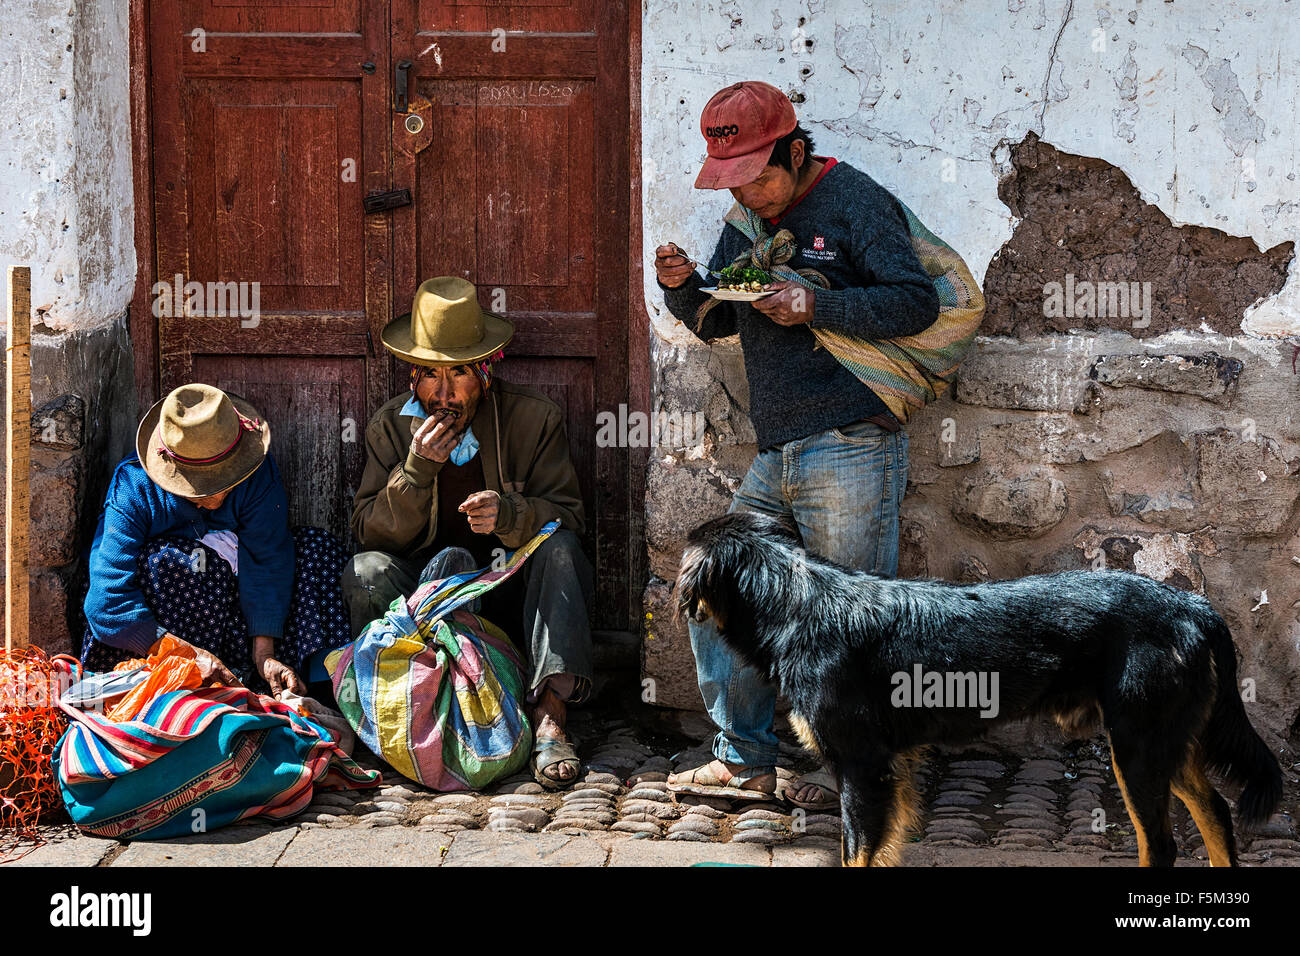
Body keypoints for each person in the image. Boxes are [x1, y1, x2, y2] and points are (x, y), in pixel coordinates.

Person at [656, 80, 941, 810]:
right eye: (734, 182)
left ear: (796, 149)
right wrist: (685, 289)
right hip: (776, 453)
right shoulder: (746, 223)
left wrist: (817, 302)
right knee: (714, 587)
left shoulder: (853, 201)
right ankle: (745, 758)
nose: (748, 196)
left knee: (848, 619)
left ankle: (847, 773)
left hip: (851, 444)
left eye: (759, 176)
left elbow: (915, 300)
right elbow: (723, 320)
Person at [341, 275, 594, 789]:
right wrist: (414, 473)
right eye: (431, 376)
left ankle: (550, 717)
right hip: (426, 604)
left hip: (505, 593)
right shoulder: (390, 427)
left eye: (459, 375)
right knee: (365, 572)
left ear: (484, 374)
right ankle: (389, 713)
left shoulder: (533, 419)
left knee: (562, 550)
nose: (445, 393)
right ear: (412, 378)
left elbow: (571, 517)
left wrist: (510, 515)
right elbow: (369, 534)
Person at [82, 383, 351, 695]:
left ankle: (289, 684)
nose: (219, 494)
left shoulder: (256, 474)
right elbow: (107, 603)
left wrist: (265, 654)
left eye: (225, 479)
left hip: (237, 615)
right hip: (168, 628)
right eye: (203, 484)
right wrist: (188, 656)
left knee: (317, 549)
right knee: (171, 561)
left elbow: (268, 555)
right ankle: (186, 691)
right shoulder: (133, 488)